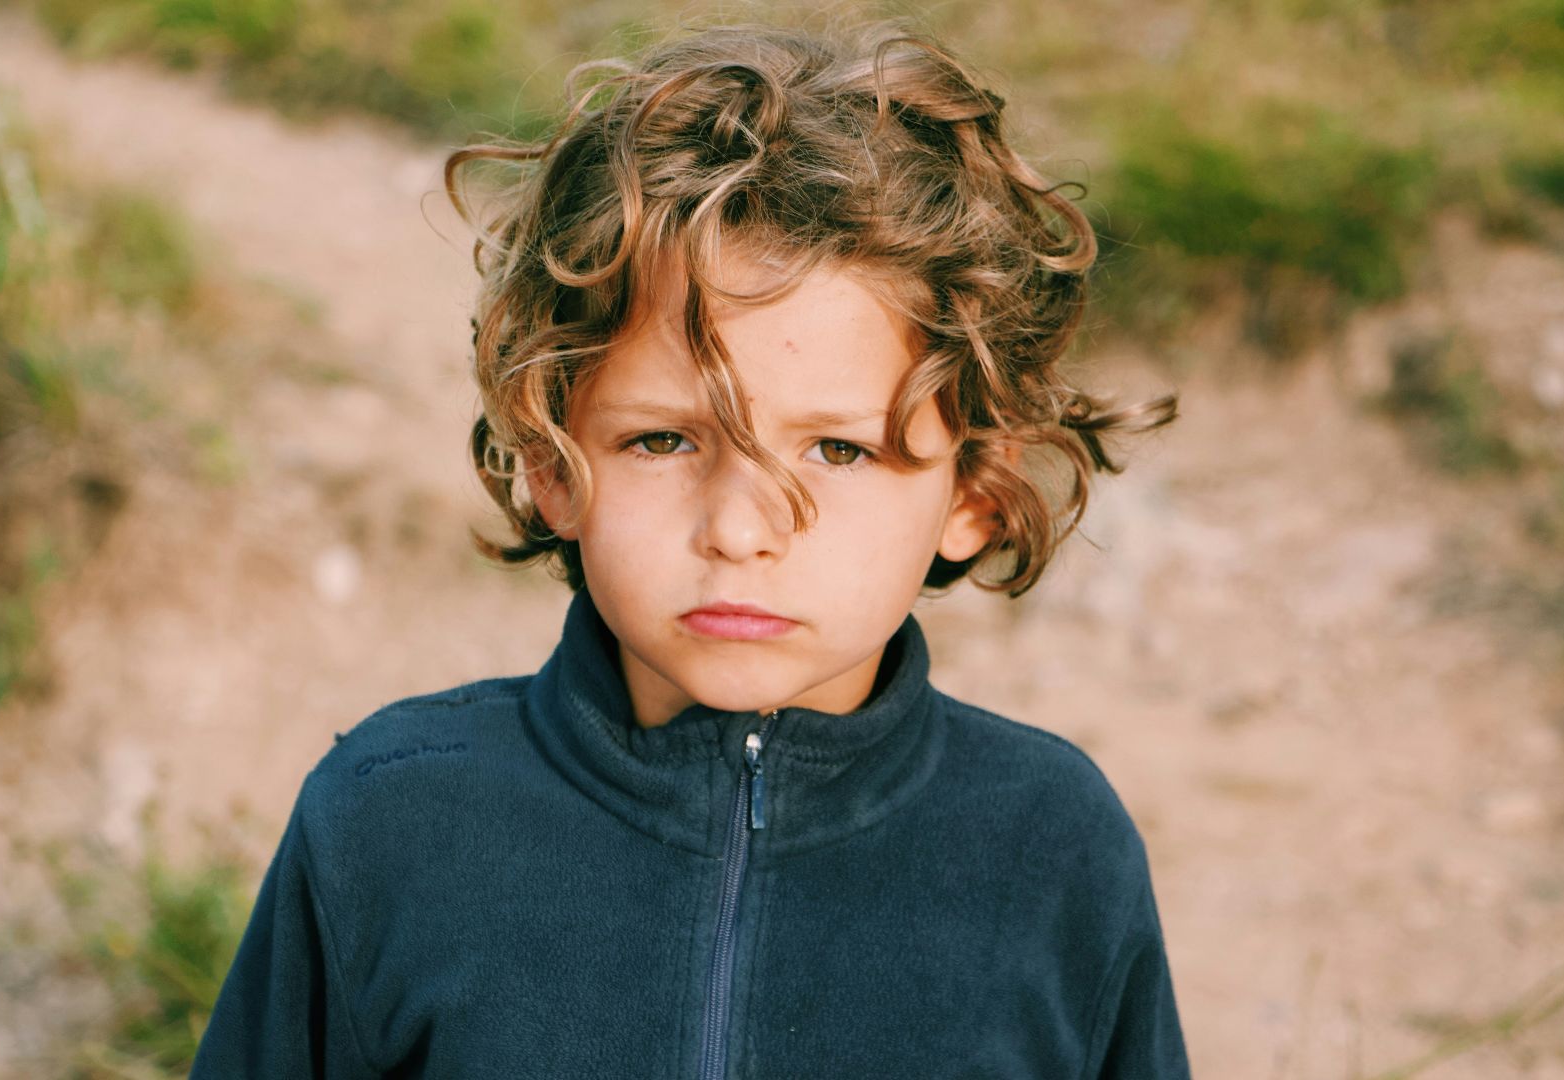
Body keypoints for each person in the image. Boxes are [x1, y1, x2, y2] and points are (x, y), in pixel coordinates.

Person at [192, 19, 1189, 1079]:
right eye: (663, 439)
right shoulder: (389, 817)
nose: (740, 530)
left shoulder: (1051, 847)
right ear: (550, 462)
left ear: (977, 494)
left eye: (840, 450)